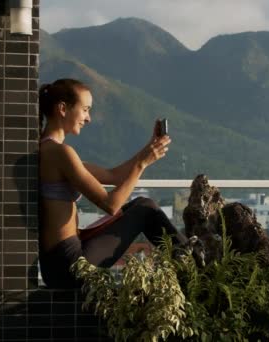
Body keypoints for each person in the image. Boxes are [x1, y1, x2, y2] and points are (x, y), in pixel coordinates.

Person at [38, 78, 187, 288]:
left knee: (140, 205)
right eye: (85, 109)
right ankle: (194, 265)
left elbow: (114, 175)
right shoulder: (60, 153)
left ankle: (191, 261)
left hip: (61, 260)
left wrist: (148, 150)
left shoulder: (52, 151)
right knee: (145, 209)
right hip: (68, 265)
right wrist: (142, 164)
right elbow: (111, 204)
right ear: (63, 108)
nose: (88, 118)